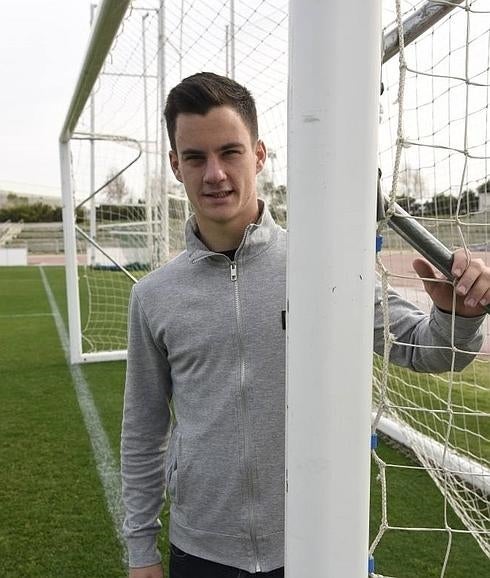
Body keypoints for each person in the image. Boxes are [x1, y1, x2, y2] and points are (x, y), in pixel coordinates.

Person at [121, 72, 489, 578]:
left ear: (259, 155)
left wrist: (457, 316)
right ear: (174, 166)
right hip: (202, 550)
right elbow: (143, 431)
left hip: (314, 543)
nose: (214, 174)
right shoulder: (153, 296)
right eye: (195, 157)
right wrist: (141, 551)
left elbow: (425, 351)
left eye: (230, 152)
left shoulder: (323, 264)